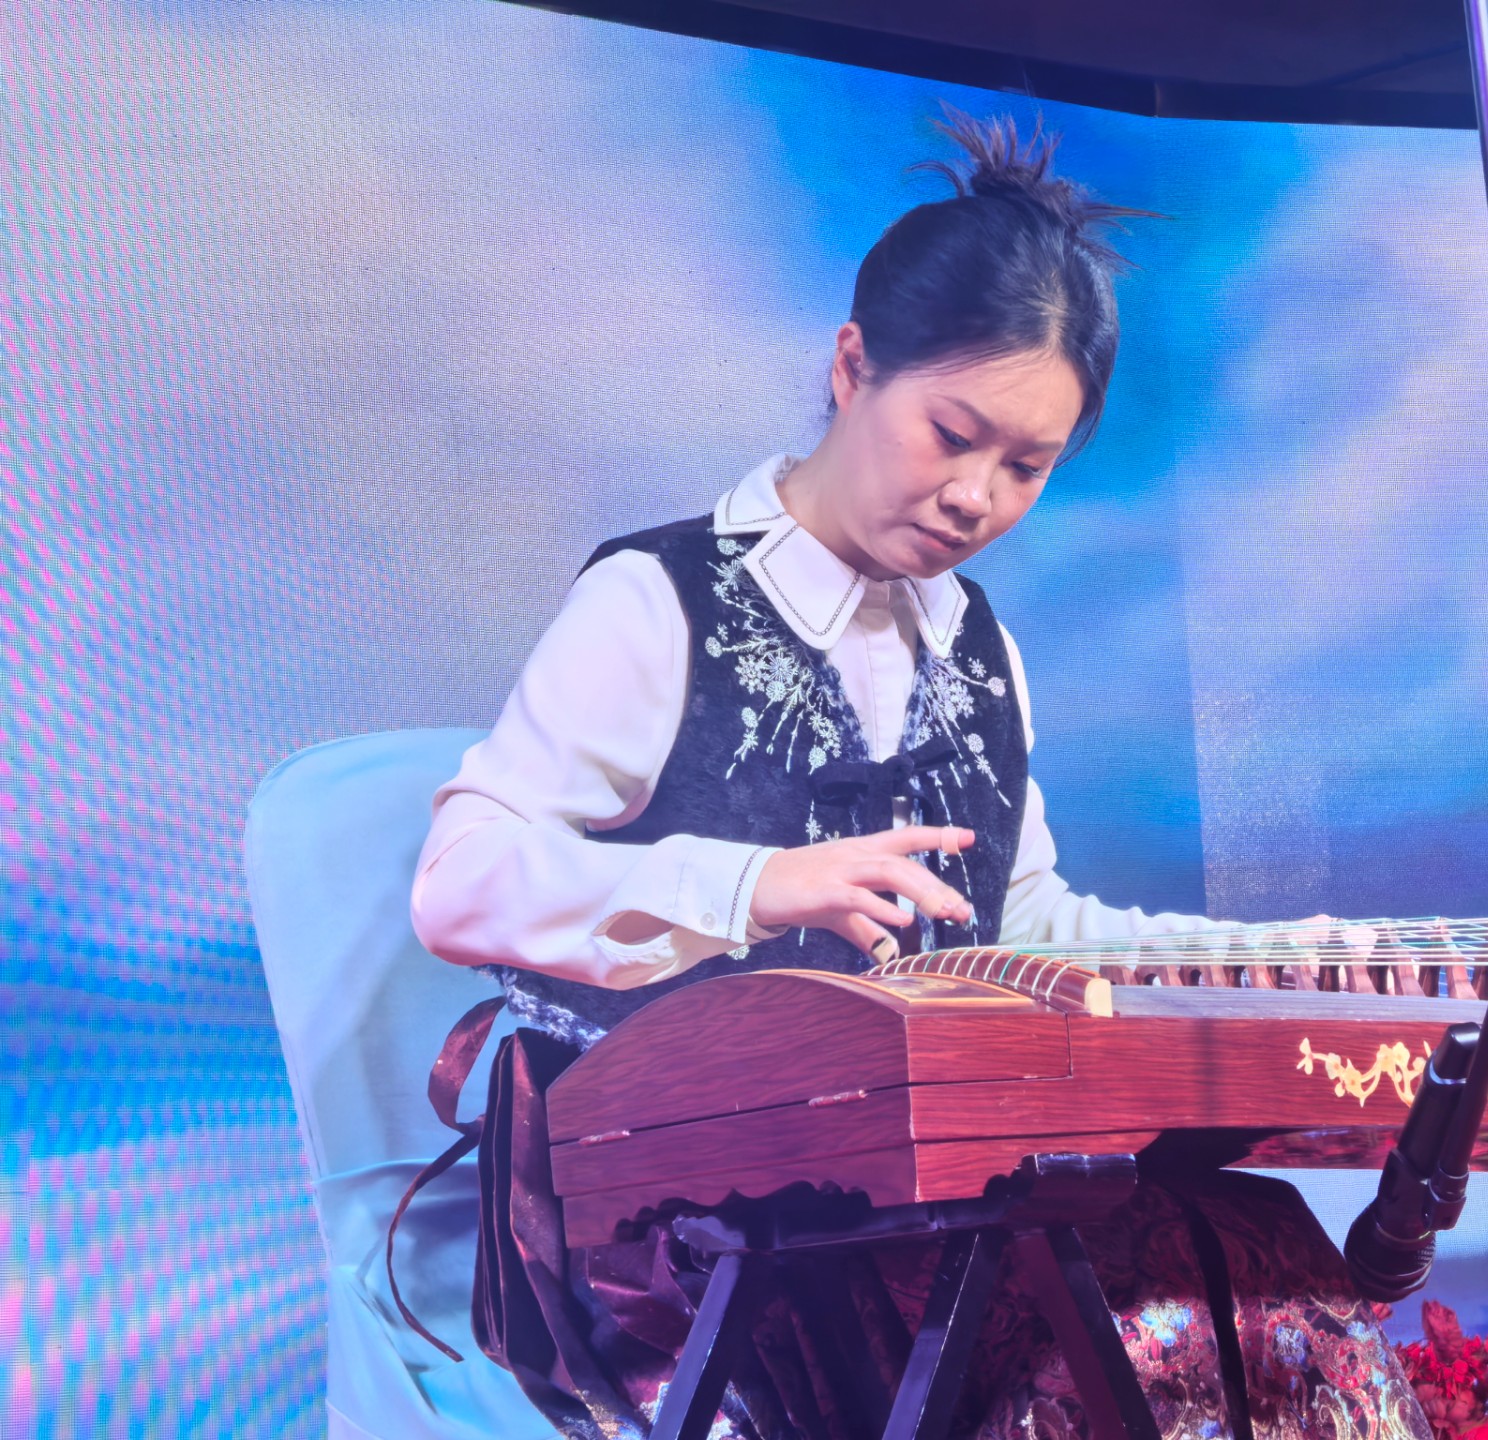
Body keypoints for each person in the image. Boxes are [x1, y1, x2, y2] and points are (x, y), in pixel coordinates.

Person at [411, 113, 1431, 1440]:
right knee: (1106, 1317)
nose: (976, 497)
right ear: (852, 368)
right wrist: (759, 886)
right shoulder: (659, 602)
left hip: (921, 1177)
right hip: (682, 1220)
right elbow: (460, 880)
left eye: (1027, 468)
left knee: (1245, 1253)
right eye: (952, 433)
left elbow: (1028, 921)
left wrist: (1277, 964)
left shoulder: (974, 644)